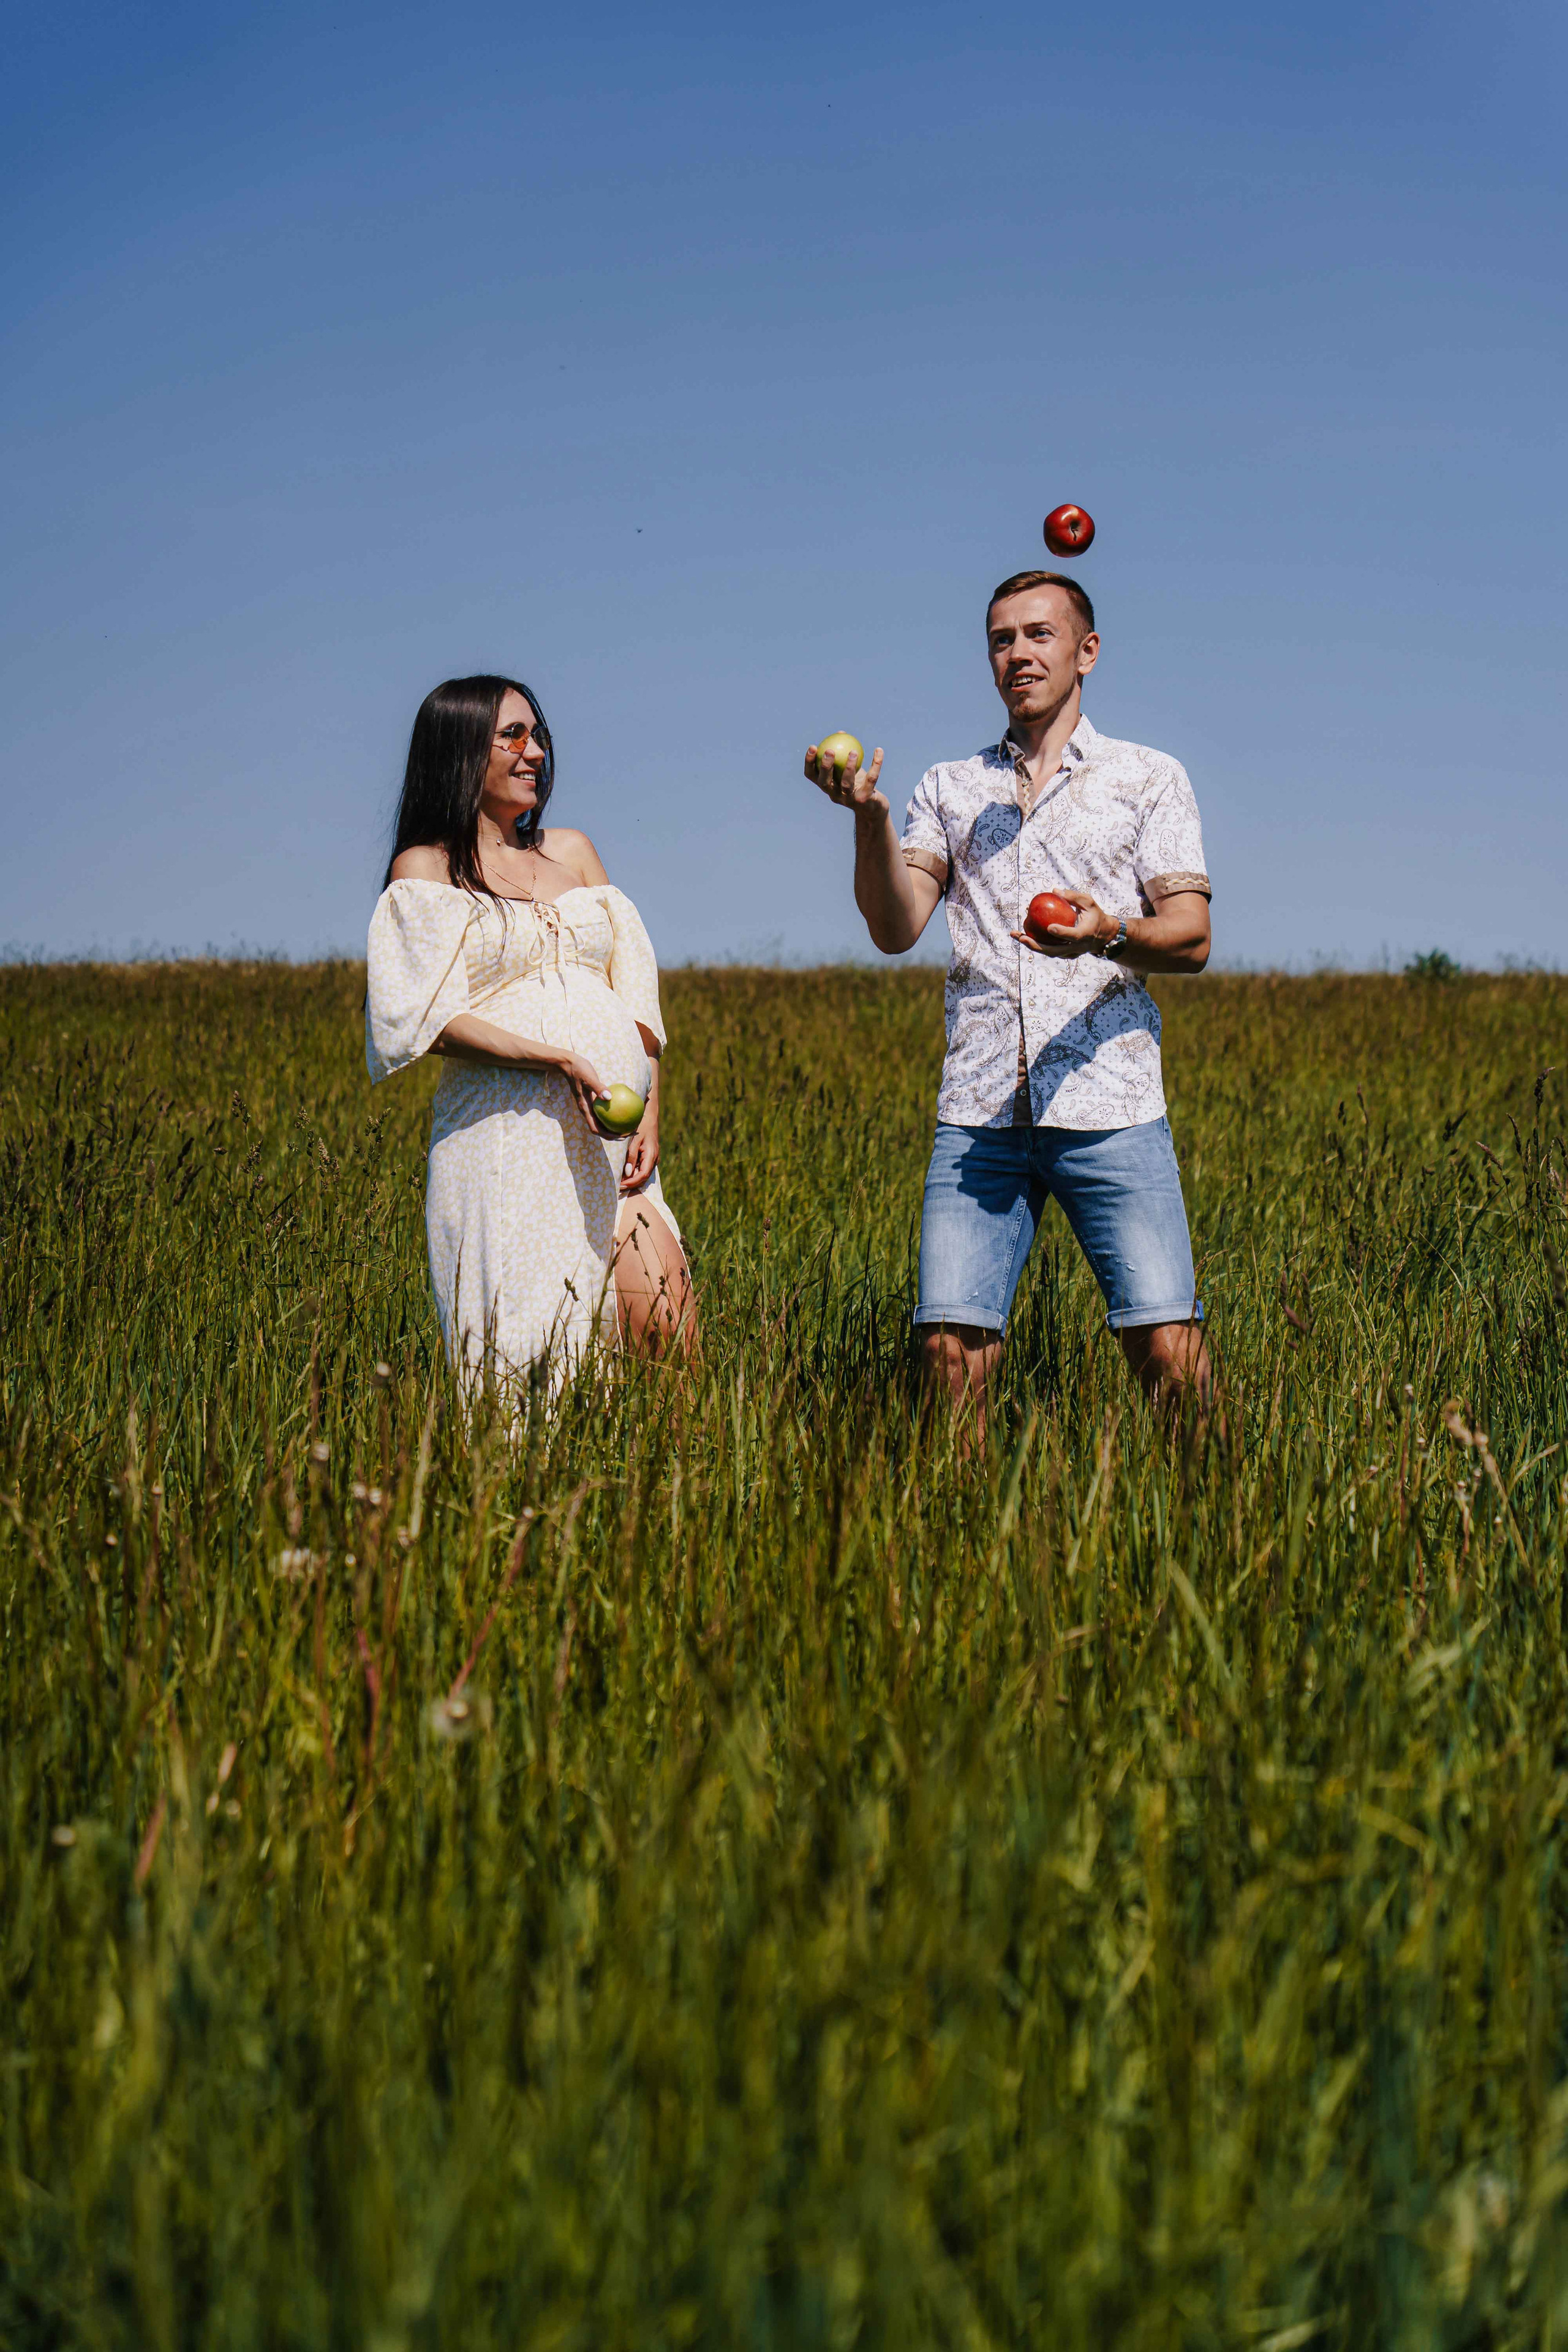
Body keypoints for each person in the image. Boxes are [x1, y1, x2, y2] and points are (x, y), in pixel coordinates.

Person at [804, 571, 1212, 1441]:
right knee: (949, 1354)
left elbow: (1191, 936)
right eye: (1001, 639)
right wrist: (869, 820)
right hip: (980, 1112)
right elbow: (895, 927)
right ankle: (964, 1522)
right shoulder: (949, 787)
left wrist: (1105, 933)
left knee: (1168, 1349)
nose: (1018, 653)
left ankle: (1214, 1507)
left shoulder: (1148, 777)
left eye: (1039, 634)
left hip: (1111, 1105)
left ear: (1086, 652)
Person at [366, 674, 694, 1392]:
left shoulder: (572, 852)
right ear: (460, 750)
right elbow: (424, 1017)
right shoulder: (425, 869)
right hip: (505, 1142)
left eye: (537, 735)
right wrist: (553, 1059)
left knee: (665, 1333)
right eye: (511, 736)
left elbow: (634, 987)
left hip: (611, 1137)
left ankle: (677, 1468)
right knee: (522, 1361)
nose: (535, 752)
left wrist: (651, 1104)